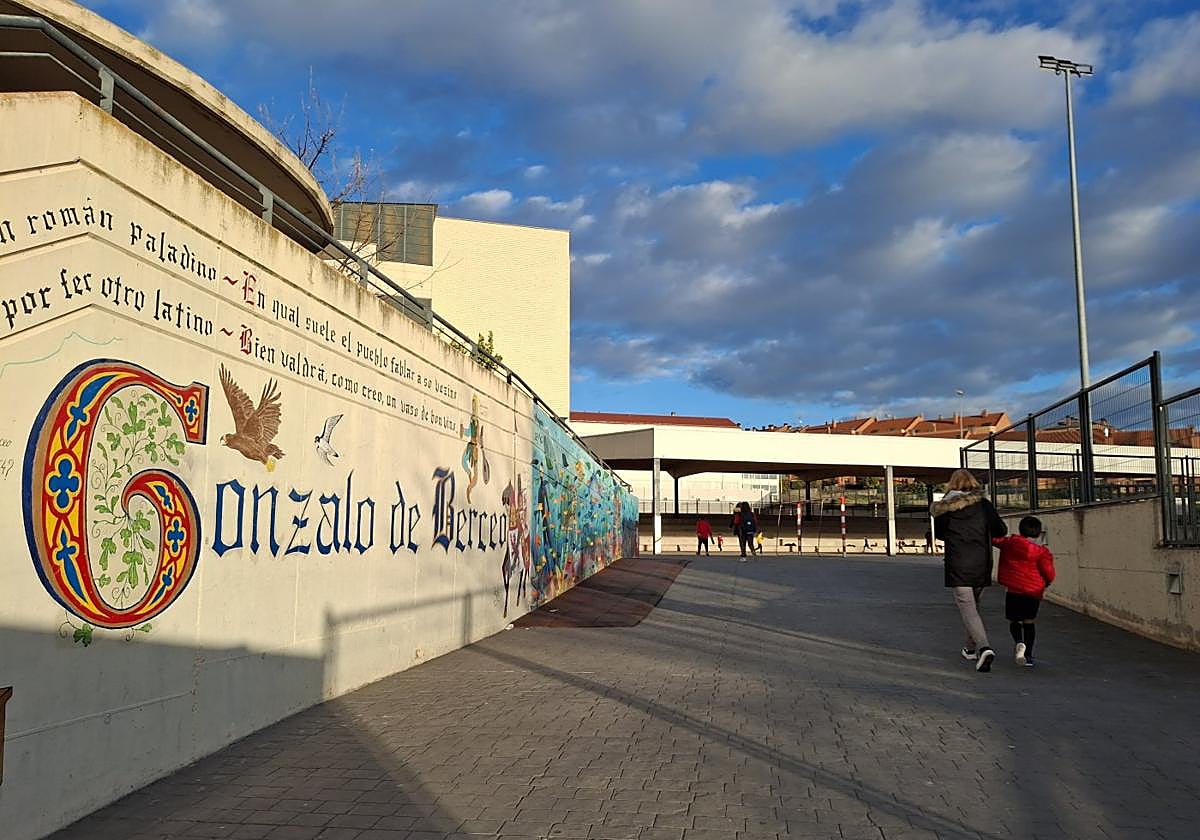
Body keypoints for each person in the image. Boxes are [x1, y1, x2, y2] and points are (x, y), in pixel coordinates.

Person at [931, 469, 1007, 672]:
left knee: (968, 609)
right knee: (974, 608)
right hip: (982, 562)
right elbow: (1001, 530)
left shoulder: (944, 508)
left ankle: (984, 648)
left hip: (959, 563)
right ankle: (970, 648)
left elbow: (939, 535)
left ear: (952, 485)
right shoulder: (984, 505)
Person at [993, 516, 1056, 668]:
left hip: (1014, 590)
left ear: (1021, 530)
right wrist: (1046, 583)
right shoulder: (1042, 552)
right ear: (1039, 533)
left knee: (1014, 621)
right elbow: (1049, 572)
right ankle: (1028, 655)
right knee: (1029, 621)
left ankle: (1018, 642)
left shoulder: (1009, 543)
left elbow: (994, 539)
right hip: (1033, 590)